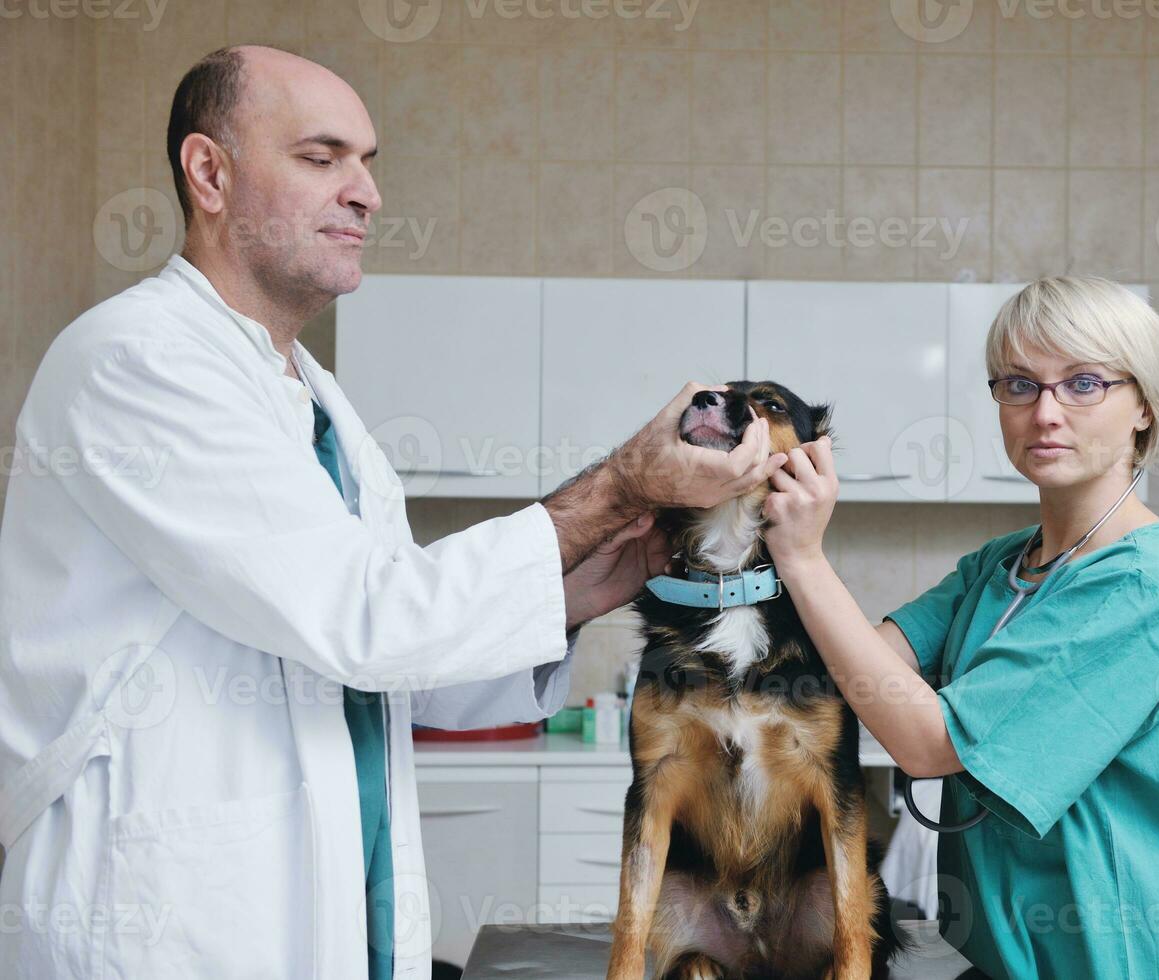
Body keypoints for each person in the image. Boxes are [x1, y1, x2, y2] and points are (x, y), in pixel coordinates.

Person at [0, 46, 788, 979]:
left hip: (316, 897)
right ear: (209, 173)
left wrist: (585, 587)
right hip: (163, 916)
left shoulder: (317, 402)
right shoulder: (136, 361)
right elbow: (365, 617)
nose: (366, 192)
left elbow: (404, 661)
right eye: (322, 157)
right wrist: (616, 486)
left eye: (368, 162)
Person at [762, 277, 1159, 978]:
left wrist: (801, 556)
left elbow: (927, 743)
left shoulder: (1146, 587)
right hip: (1013, 959)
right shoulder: (1003, 563)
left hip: (1135, 960)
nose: (1046, 413)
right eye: (1019, 385)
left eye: (1084, 384)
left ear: (1144, 407)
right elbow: (852, 670)